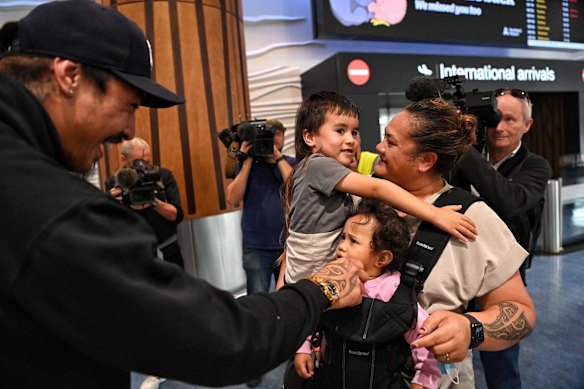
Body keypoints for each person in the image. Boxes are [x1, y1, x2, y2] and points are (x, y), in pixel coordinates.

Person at [0, 1, 368, 388]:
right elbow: (222, 340)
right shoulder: (46, 204)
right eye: (128, 106)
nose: (127, 131)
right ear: (68, 75)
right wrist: (321, 288)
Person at [373, 98, 537, 388]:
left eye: (391, 142)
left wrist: (470, 328)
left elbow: (521, 312)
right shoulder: (363, 196)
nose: (379, 148)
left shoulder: (472, 218)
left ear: (425, 160)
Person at [277, 91, 477, 288]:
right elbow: (375, 188)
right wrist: (435, 214)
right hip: (312, 280)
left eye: (354, 132)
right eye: (340, 131)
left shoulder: (326, 172)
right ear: (310, 137)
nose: (350, 140)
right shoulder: (317, 165)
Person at [449, 88, 552, 389]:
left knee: (502, 369)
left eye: (510, 119)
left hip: (502, 282)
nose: (500, 127)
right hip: (459, 274)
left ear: (527, 126)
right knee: (448, 363)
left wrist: (462, 148)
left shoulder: (535, 166)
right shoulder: (467, 154)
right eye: (494, 118)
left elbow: (509, 200)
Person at [292, 199, 440, 389]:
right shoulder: (331, 282)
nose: (342, 246)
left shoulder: (396, 293)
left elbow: (425, 344)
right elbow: (311, 316)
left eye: (353, 241)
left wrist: (423, 380)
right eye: (342, 237)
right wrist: (303, 348)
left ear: (382, 258)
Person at [226, 119, 295, 387]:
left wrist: (276, 158)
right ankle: (256, 359)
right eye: (267, 136)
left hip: (287, 246)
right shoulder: (248, 165)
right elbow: (233, 197)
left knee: (289, 300)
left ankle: (292, 353)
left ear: (282, 138)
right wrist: (244, 160)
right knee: (256, 304)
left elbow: (294, 187)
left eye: (276, 135)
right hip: (256, 245)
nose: (271, 140)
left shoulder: (288, 161)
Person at [106, 137, 185, 269]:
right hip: (132, 257)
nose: (143, 166)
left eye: (147, 161)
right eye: (138, 162)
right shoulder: (114, 183)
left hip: (168, 253)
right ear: (123, 159)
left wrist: (154, 202)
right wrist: (108, 202)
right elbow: (108, 225)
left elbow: (176, 216)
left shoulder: (162, 176)